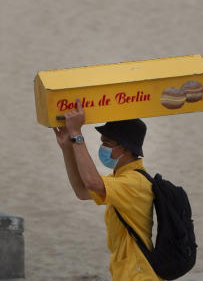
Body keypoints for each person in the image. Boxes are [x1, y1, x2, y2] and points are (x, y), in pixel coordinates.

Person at [53, 106, 161, 280]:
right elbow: (82, 190)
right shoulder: (122, 179)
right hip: (127, 273)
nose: (102, 147)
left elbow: (92, 182)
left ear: (125, 149)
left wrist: (76, 135)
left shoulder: (134, 183)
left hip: (139, 275)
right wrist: (67, 148)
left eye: (106, 143)